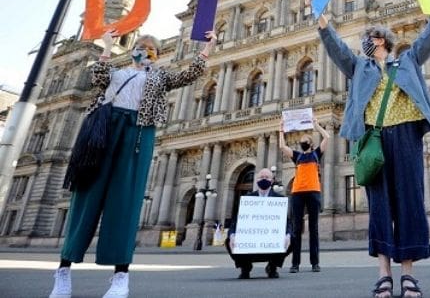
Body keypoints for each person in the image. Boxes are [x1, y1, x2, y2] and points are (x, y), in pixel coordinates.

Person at [308, 0, 430, 298]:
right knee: (379, 206)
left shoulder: (408, 60)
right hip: (373, 139)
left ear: (383, 42)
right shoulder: (359, 66)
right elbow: (336, 48)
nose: (365, 43)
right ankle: (383, 274)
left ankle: (409, 275)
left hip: (406, 136)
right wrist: (318, 15)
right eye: (364, 40)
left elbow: (428, 38)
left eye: (371, 39)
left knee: (410, 203)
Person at [49, 29, 216, 298]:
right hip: (103, 133)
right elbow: (97, 76)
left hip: (138, 133)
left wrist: (208, 48)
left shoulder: (159, 77)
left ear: (158, 55)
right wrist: (106, 46)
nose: (144, 51)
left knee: (126, 203)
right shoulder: (115, 73)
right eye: (140, 46)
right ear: (133, 50)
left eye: (151, 49)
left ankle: (120, 277)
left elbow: (189, 74)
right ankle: (63, 271)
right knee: (86, 197)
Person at [279, 117, 329, 273]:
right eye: (301, 140)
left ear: (311, 142)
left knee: (313, 229)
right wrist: (281, 128)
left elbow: (327, 137)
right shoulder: (296, 156)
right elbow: (282, 146)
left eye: (305, 139)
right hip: (297, 193)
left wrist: (317, 126)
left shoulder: (316, 154)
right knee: (296, 229)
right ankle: (295, 264)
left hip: (313, 192)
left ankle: (315, 263)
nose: (302, 141)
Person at [225, 168, 293, 279]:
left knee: (292, 239)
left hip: (271, 238)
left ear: (272, 181)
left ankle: (272, 266)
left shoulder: (279, 199)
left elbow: (287, 222)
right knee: (229, 240)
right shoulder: (247, 199)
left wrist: (288, 235)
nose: (264, 179)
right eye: (261, 177)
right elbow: (235, 222)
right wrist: (232, 235)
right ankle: (245, 267)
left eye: (267, 178)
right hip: (250, 239)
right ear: (257, 180)